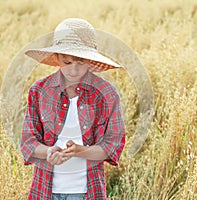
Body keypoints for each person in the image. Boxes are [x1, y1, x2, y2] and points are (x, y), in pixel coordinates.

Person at [21, 18, 126, 200]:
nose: (73, 70)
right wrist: (48, 152)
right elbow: (28, 141)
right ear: (57, 59)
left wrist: (79, 150)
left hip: (86, 191)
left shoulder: (106, 94)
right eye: (67, 62)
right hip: (44, 189)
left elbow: (111, 146)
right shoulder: (39, 91)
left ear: (91, 61)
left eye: (80, 62)